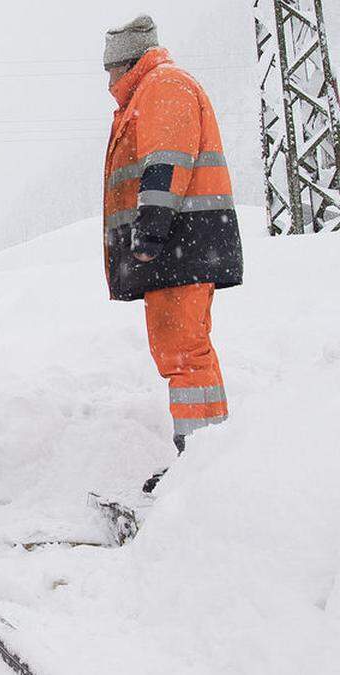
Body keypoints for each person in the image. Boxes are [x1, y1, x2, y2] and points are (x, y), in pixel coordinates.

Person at [101, 15, 243, 492]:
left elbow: (167, 162)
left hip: (182, 246)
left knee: (186, 356)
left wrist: (151, 229)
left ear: (128, 63)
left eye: (111, 72)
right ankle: (202, 462)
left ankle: (203, 470)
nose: (108, 84)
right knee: (181, 355)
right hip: (181, 250)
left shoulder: (163, 87)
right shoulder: (152, 91)